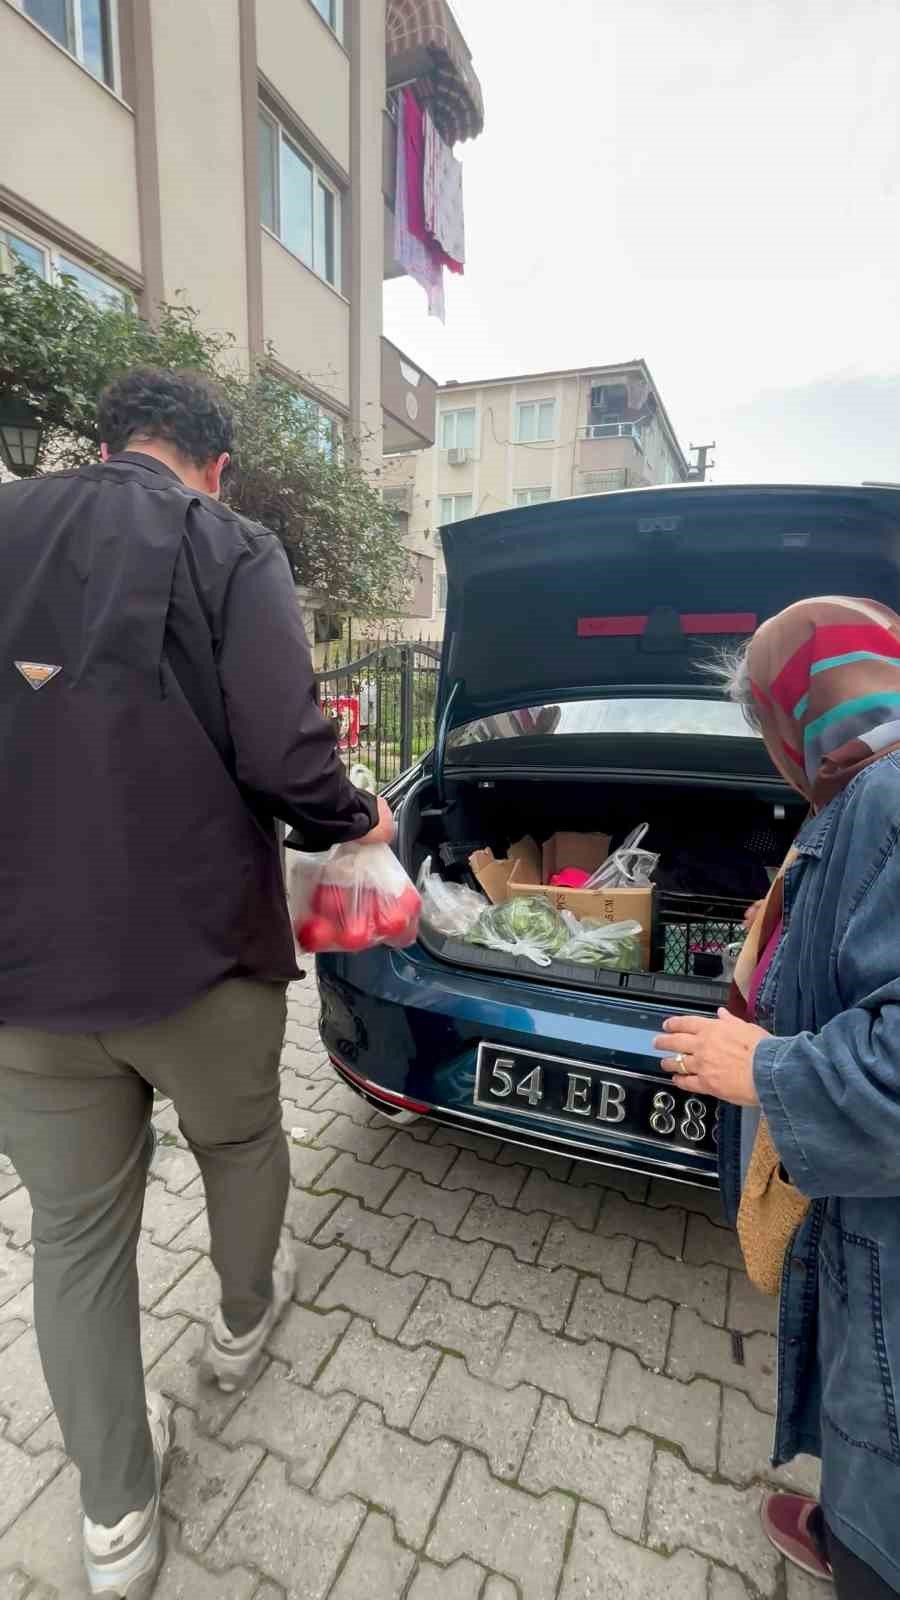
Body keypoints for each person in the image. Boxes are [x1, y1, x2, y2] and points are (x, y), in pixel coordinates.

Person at [0, 367, 393, 1598]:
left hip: (22, 973)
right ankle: (235, 1324)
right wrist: (356, 813)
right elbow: (285, 747)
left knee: (71, 1240)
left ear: (104, 442)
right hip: (201, 956)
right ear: (214, 465)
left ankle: (114, 1520)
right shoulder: (231, 543)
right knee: (239, 1143)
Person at [654, 595, 900, 1598]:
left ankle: (866, 1555)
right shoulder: (865, 788)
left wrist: (757, 1067)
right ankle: (850, 1522)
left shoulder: (886, 803)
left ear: (800, 705)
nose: (769, 754)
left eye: (765, 724)